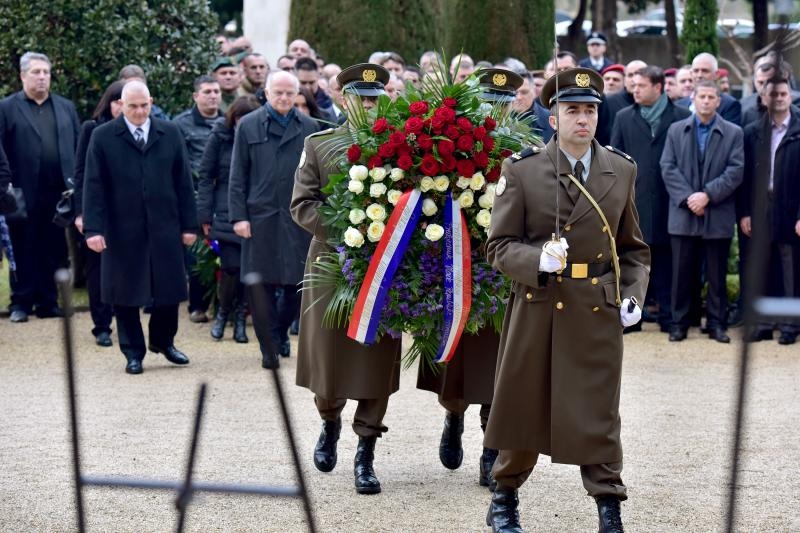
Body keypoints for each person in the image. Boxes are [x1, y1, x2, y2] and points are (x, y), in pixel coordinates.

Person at [483, 67, 650, 533]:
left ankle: (608, 504)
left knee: (597, 411)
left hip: (596, 308)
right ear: (552, 118)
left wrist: (633, 295)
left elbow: (633, 250)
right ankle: (504, 496)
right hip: (538, 305)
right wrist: (537, 260)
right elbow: (497, 245)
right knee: (523, 405)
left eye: (590, 110)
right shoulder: (523, 168)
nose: (583, 119)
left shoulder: (622, 169)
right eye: (572, 110)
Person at [290, 63, 402, 495]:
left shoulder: (401, 147)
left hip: (389, 267)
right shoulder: (319, 144)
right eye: (361, 97)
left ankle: (366, 453)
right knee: (330, 358)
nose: (369, 106)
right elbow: (302, 204)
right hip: (332, 266)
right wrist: (349, 232)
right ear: (343, 99)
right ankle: (329, 419)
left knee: (376, 358)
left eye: (375, 98)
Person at [417, 68, 523, 491]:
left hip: (501, 269)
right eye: (489, 101)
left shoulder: (526, 150)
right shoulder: (456, 142)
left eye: (505, 102)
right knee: (457, 360)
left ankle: (490, 450)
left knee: (496, 365)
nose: (497, 109)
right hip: (455, 264)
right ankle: (453, 416)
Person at [82, 81, 198, 375]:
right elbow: (93, 185)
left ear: (151, 102)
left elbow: (184, 182)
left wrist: (189, 225)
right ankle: (133, 352)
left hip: (165, 225)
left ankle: (163, 341)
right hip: (121, 228)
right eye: (132, 106)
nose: (138, 111)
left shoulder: (169, 132)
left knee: (169, 289)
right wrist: (93, 229)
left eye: (144, 105)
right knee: (125, 294)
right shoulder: (103, 136)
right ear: (120, 104)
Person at [228, 71, 319, 368]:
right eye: (277, 92)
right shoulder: (248, 126)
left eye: (289, 93)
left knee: (297, 284)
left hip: (298, 218)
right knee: (261, 286)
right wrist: (239, 217)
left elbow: (319, 176)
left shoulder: (309, 127)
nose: (283, 98)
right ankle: (268, 347)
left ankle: (280, 332)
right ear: (265, 93)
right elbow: (237, 176)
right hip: (260, 218)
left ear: (297, 96)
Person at [660, 80, 744, 343]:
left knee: (717, 274)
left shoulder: (733, 132)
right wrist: (688, 198)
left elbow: (735, 170)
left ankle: (717, 324)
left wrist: (707, 195)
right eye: (702, 96)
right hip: (683, 213)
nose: (706, 101)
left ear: (719, 101)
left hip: (716, 213)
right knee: (681, 273)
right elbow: (667, 166)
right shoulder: (675, 130)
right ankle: (679, 323)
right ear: (693, 99)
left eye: (711, 97)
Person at [0, 51, 80, 323]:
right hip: (21, 192)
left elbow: (78, 147)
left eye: (46, 72)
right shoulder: (7, 107)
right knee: (22, 247)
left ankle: (48, 301)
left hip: (59, 192)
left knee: (54, 248)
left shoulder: (65, 107)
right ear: (23, 75)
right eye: (36, 72)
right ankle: (20, 302)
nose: (43, 77)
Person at [611, 66, 691, 333]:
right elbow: (616, 159)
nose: (635, 89)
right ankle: (634, 316)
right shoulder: (624, 117)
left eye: (641, 85)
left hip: (671, 201)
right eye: (633, 84)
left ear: (658, 87)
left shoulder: (680, 116)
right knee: (635, 262)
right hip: (635, 202)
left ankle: (670, 317)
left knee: (669, 261)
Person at [739, 77, 800, 345]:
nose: (779, 98)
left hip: (790, 206)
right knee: (762, 265)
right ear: (763, 98)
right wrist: (744, 212)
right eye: (773, 94)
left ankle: (789, 325)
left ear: (791, 96)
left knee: (790, 269)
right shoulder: (752, 131)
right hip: (760, 207)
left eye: (784, 93)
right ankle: (763, 323)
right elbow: (745, 178)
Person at [197, 95, 260, 344]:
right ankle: (224, 313)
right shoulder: (220, 136)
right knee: (231, 267)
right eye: (239, 119)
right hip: (224, 211)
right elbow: (205, 176)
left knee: (248, 270)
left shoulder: (259, 138)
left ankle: (240, 321)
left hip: (254, 211)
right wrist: (204, 214)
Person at [73, 81, 125, 346]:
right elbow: (80, 172)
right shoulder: (92, 129)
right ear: (109, 103)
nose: (121, 106)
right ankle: (102, 324)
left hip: (127, 211)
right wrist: (81, 212)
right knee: (97, 269)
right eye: (117, 101)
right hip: (98, 209)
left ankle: (125, 318)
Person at [173, 75, 224, 323]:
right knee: (197, 253)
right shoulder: (180, 125)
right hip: (193, 196)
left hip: (222, 196)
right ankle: (198, 305)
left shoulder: (229, 121)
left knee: (223, 252)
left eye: (216, 91)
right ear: (195, 96)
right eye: (207, 91)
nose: (213, 95)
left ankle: (223, 303)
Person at [676, 53, 741, 126]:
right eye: (696, 71)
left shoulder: (729, 105)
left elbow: (730, 135)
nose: (699, 75)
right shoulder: (679, 105)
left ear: (716, 75)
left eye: (705, 71)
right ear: (691, 73)